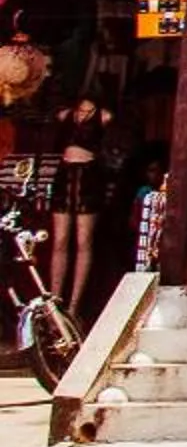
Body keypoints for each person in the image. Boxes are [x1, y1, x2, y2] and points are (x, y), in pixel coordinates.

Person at [48, 93, 114, 311]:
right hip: (65, 174)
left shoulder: (103, 117)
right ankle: (55, 297)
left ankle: (74, 305)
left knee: (83, 240)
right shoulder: (66, 115)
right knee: (60, 239)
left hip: (88, 175)